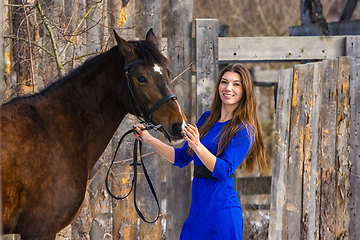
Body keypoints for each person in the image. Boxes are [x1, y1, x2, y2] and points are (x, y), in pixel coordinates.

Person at [133, 63, 268, 240]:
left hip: (222, 215)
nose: (228, 88)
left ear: (245, 90)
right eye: (224, 82)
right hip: (197, 215)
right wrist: (148, 138)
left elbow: (223, 170)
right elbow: (181, 158)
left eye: (236, 84)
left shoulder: (244, 129)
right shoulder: (207, 119)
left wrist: (198, 146)